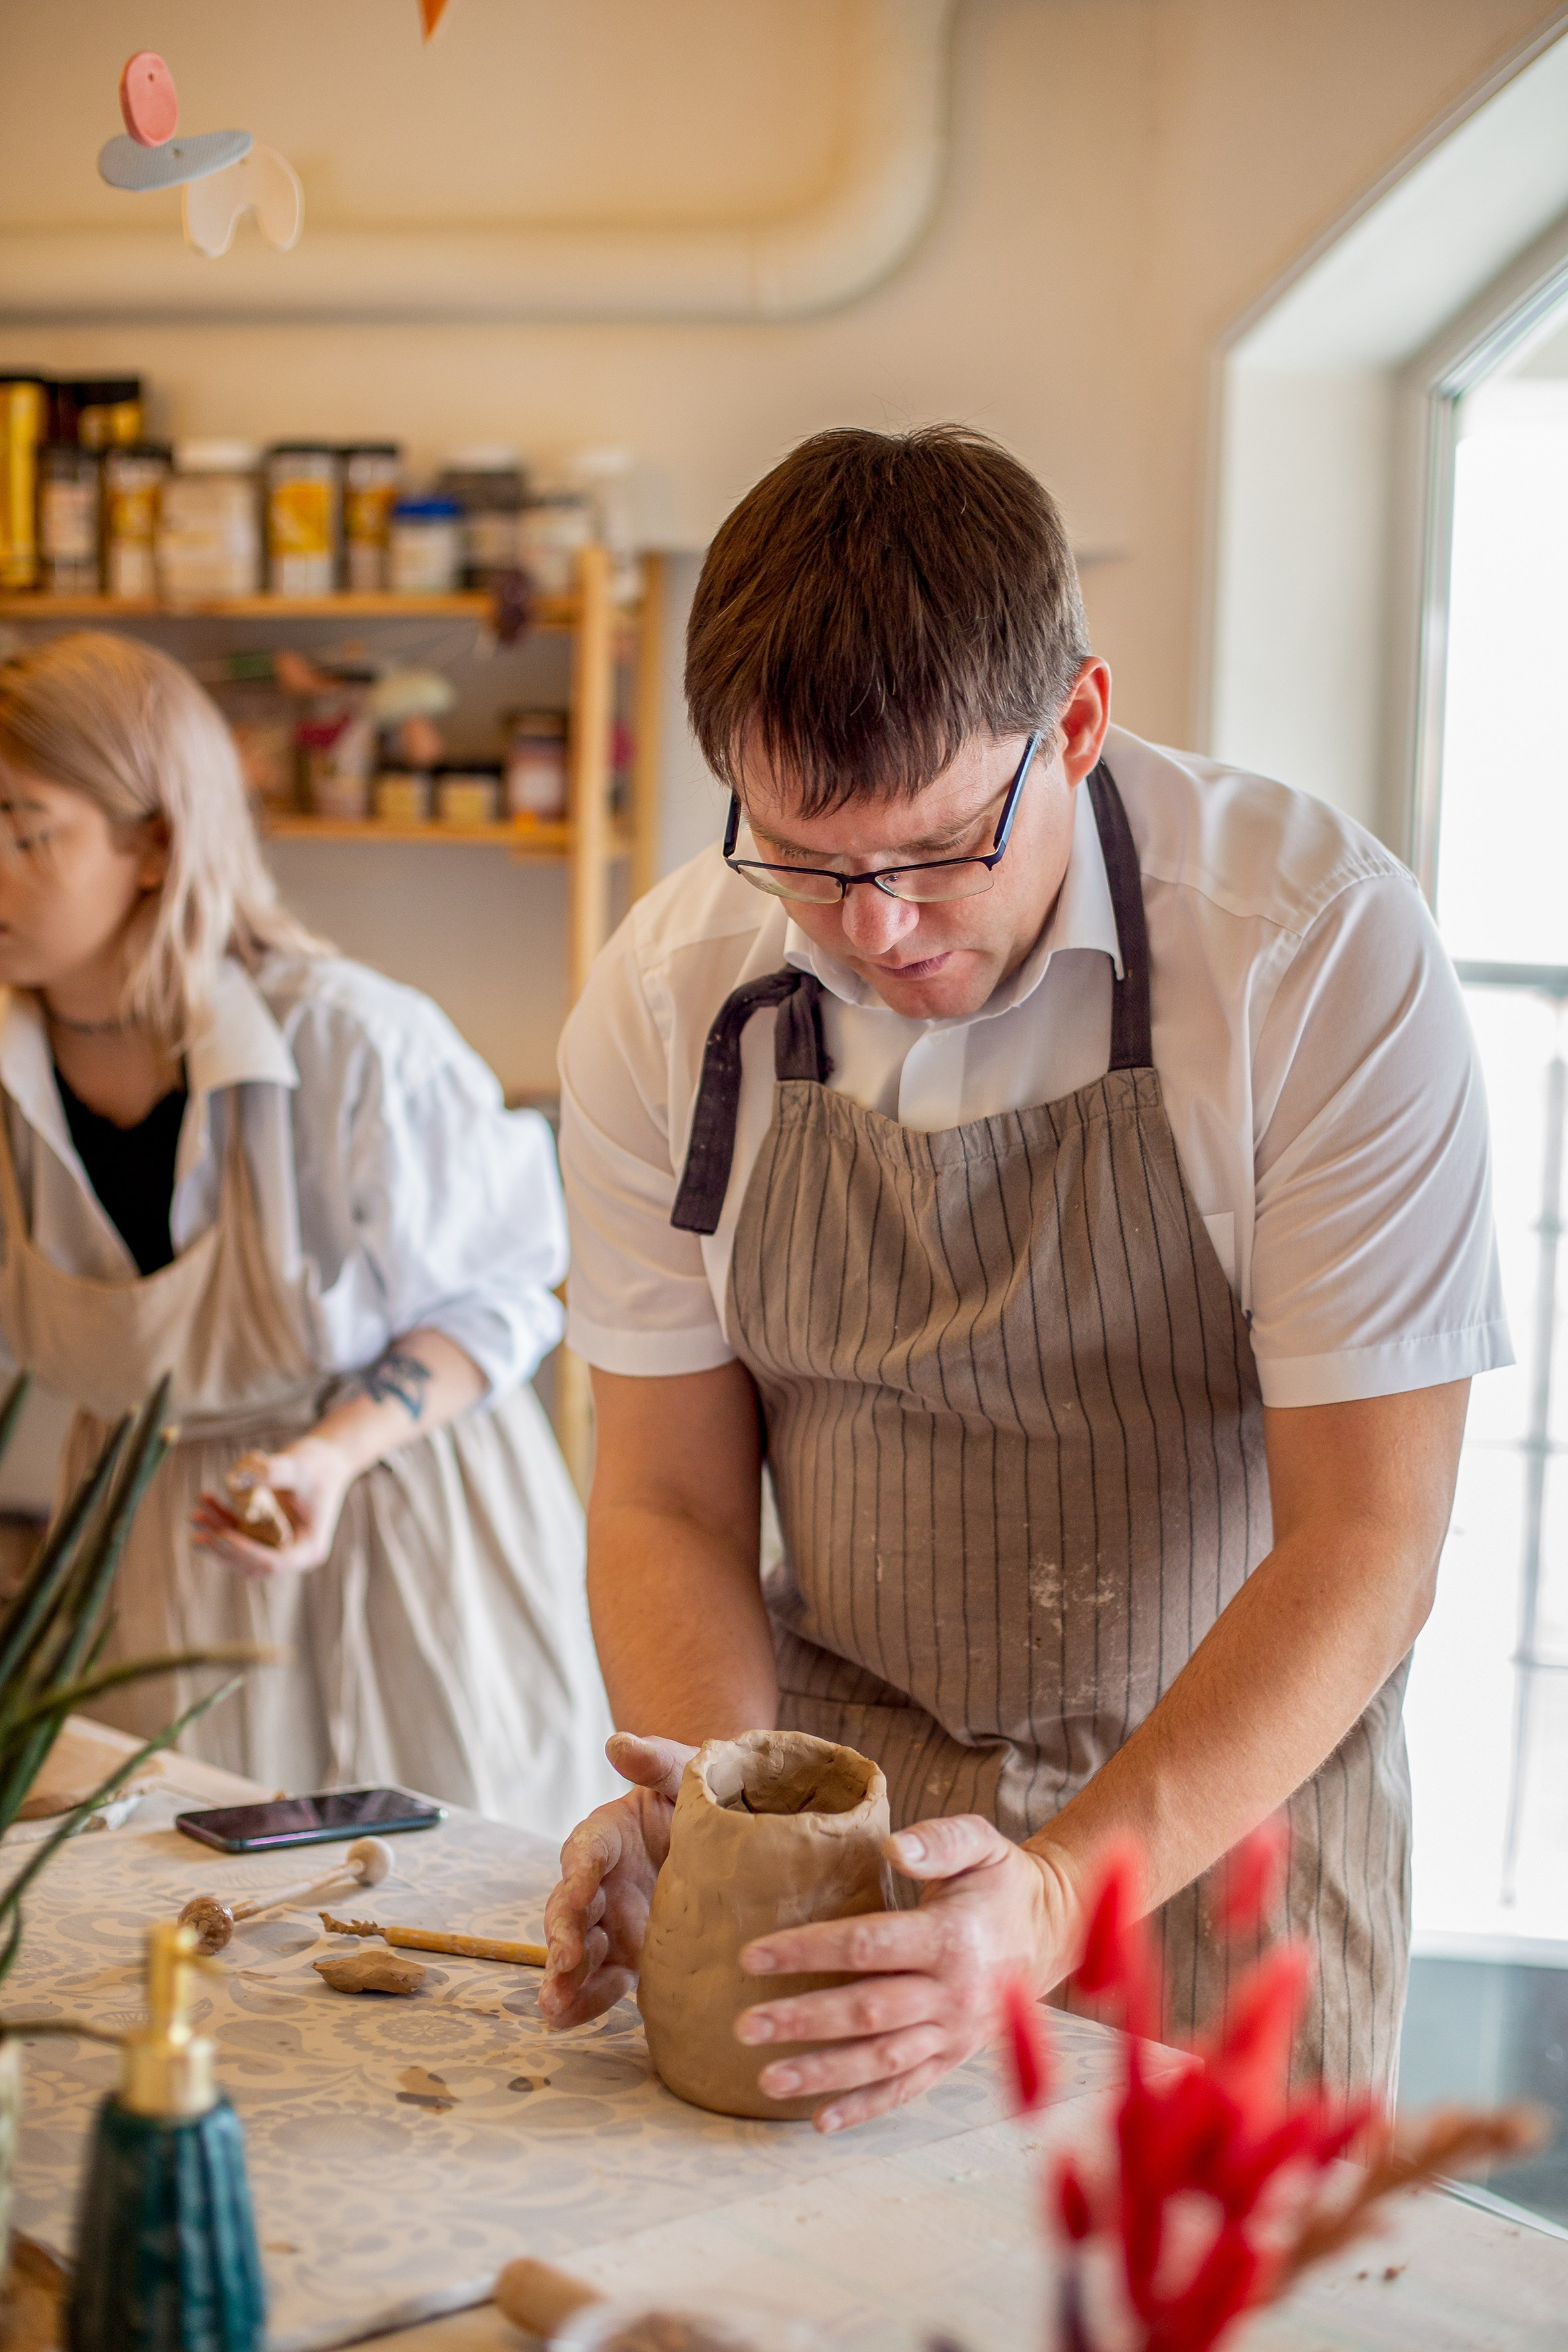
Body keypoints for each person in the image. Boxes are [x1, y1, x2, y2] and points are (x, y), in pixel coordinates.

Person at [540, 425, 1510, 2125]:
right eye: (805, 859)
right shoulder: (665, 992)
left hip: (1220, 1821)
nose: (875, 929)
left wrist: (1059, 1894)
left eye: (929, 854)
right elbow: (672, 1504)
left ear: (1073, 722)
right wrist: (718, 1816)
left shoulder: (1309, 949)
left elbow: (1369, 1536)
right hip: (846, 1815)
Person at [0, 630, 611, 1837]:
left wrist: (326, 1457)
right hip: (156, 1547)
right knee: (179, 1921)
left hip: (397, 1521)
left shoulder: (352, 1044)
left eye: (27, 832)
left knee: (454, 1930)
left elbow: (502, 1298)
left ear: (155, 845)